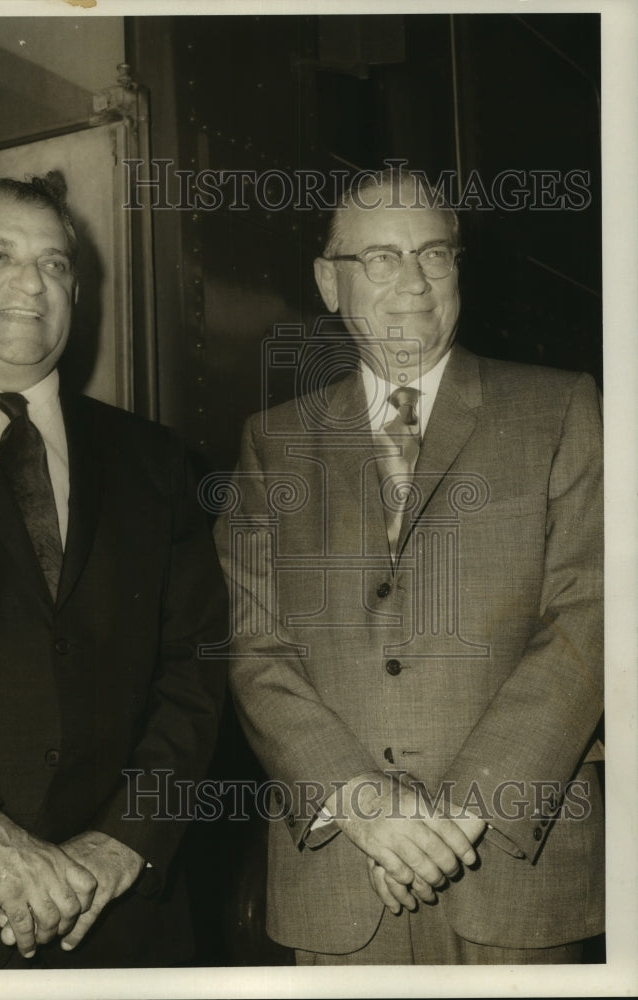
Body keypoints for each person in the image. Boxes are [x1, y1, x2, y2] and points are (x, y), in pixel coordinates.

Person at [214, 168, 604, 965]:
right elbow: (259, 652)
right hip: (341, 880)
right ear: (330, 282)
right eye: (381, 258)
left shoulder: (561, 407)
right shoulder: (273, 442)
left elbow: (593, 613)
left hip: (510, 865)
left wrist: (460, 811)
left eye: (434, 253)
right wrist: (367, 808)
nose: (415, 282)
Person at [0, 175, 227, 969]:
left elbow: (198, 668)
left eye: (55, 265)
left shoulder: (157, 460)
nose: (32, 283)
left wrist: (126, 842)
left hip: (124, 920)